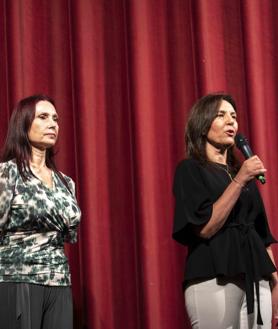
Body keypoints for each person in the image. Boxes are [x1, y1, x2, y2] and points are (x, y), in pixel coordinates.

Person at [172, 93, 278, 329]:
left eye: (234, 116)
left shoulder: (243, 173)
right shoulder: (191, 170)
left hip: (256, 277)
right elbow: (205, 227)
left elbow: (263, 235)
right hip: (214, 275)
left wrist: (276, 282)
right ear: (202, 125)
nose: (231, 121)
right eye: (221, 115)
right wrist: (240, 181)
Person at [0, 94, 81, 329]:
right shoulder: (7, 174)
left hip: (59, 282)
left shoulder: (66, 182)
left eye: (55, 119)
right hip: (17, 279)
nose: (52, 124)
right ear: (24, 124)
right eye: (43, 117)